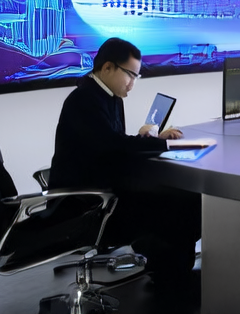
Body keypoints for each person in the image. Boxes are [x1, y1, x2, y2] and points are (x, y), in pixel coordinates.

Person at [48, 37, 201, 302]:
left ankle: (169, 274)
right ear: (107, 67)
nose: (132, 83)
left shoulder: (107, 96)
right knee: (182, 203)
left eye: (136, 77)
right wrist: (161, 144)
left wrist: (148, 140)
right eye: (130, 75)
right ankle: (172, 282)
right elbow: (114, 145)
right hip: (88, 205)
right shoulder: (84, 100)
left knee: (181, 198)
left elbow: (112, 144)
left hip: (104, 190)